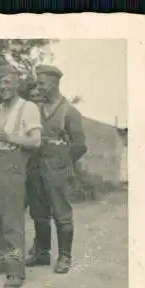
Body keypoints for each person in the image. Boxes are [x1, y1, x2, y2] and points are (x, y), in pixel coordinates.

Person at [0, 64, 42, 288]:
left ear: (17, 82)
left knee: (11, 220)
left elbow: (36, 142)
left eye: (7, 82)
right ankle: (1, 261)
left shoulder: (28, 107)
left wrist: (9, 136)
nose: (3, 87)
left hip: (12, 162)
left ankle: (16, 272)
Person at [25, 65, 87, 274]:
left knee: (61, 213)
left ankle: (65, 257)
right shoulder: (34, 108)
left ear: (54, 83)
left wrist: (62, 162)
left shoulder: (70, 112)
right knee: (39, 212)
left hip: (57, 167)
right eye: (37, 83)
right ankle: (42, 253)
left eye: (42, 83)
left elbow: (80, 145)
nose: (38, 87)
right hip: (35, 165)